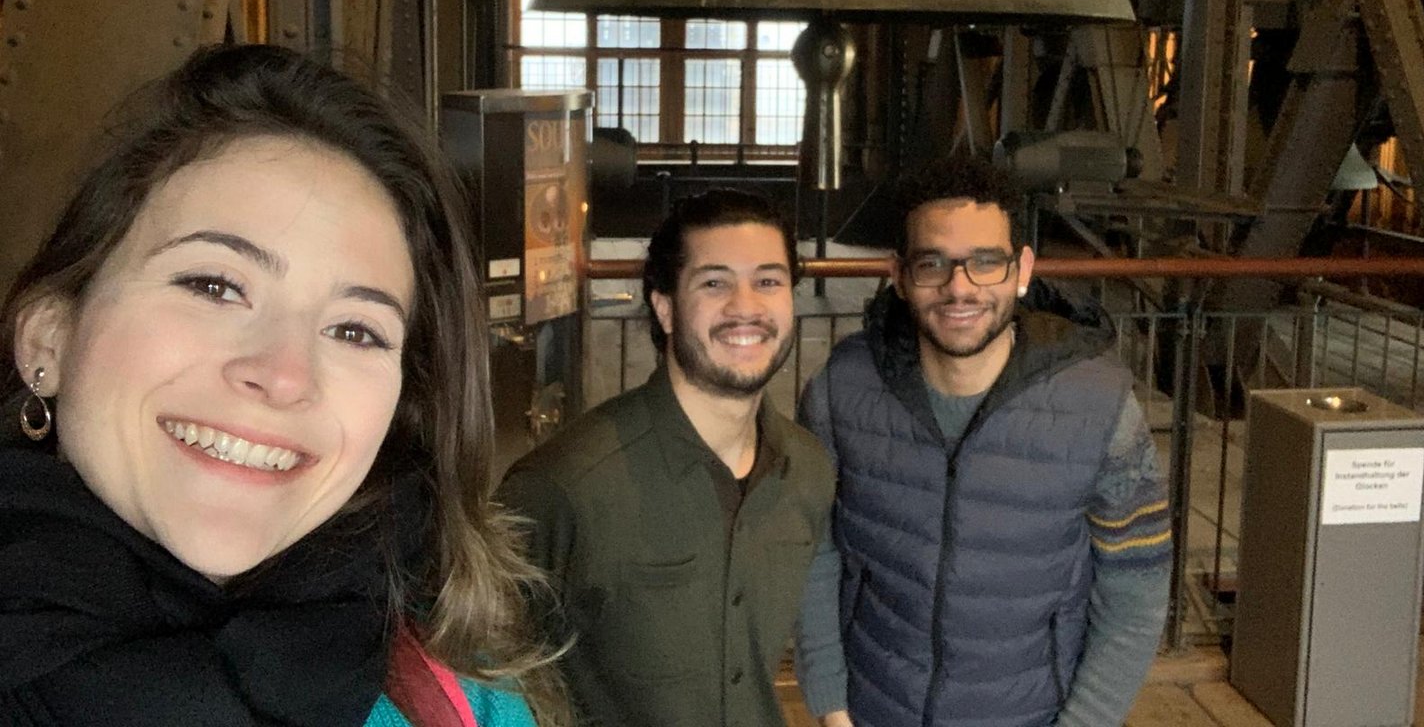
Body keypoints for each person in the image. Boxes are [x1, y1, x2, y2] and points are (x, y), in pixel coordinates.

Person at [0, 44, 568, 727]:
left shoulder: (459, 695)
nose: (284, 375)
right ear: (49, 339)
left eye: (355, 331)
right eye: (214, 286)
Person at [795, 154, 1170, 727]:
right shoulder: (839, 393)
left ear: (1021, 270)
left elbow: (1136, 586)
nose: (959, 288)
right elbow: (814, 552)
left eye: (985, 263)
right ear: (898, 275)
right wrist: (830, 704)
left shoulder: (1103, 407)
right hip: (874, 710)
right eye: (933, 264)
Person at [497, 189, 834, 727]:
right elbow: (478, 674)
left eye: (768, 281)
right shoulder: (565, 488)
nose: (746, 306)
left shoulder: (809, 472)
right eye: (714, 282)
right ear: (665, 307)